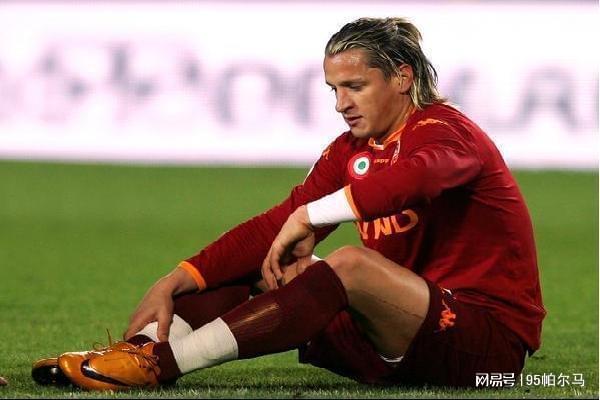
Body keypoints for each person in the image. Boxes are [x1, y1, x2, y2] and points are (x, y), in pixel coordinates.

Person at [32, 17, 545, 390]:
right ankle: (134, 353)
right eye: (334, 89)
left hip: (483, 349)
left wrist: (312, 215)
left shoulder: (447, 131)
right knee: (271, 260)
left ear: (402, 78)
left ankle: (159, 366)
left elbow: (418, 178)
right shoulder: (351, 150)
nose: (341, 103)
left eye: (355, 86)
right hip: (391, 342)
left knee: (350, 264)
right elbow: (275, 226)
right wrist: (177, 279)